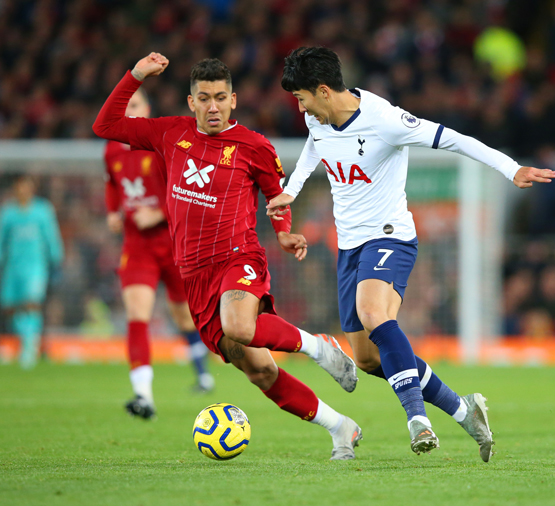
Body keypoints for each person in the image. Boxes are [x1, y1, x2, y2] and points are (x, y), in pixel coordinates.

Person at [267, 46, 555, 459]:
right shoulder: (319, 119)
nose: (300, 109)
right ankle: (463, 409)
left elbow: (455, 140)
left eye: (302, 98)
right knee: (367, 359)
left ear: (324, 90)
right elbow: (316, 146)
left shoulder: (385, 120)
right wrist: (290, 193)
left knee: (374, 314)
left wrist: (511, 169)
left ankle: (417, 421)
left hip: (389, 236)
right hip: (349, 246)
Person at [93, 53, 362, 460]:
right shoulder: (170, 134)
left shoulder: (253, 146)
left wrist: (284, 233)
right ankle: (340, 427)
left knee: (238, 324)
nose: (213, 106)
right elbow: (105, 126)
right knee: (260, 371)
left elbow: (277, 196)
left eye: (220, 97)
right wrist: (134, 76)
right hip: (194, 275)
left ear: (233, 100)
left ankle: (318, 347)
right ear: (191, 103)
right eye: (204, 98)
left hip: (239, 258)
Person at [104, 88, 215, 420]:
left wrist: (158, 214)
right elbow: (112, 182)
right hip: (136, 247)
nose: (129, 113)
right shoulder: (111, 150)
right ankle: (143, 395)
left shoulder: (163, 146)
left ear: (148, 109)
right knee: (137, 315)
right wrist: (112, 210)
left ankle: (203, 374)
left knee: (184, 316)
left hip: (172, 244)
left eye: (134, 106)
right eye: (124, 108)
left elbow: (185, 192)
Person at [0, 175, 64, 369]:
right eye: (20, 187)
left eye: (27, 187)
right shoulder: (8, 212)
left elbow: (51, 235)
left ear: (32, 189)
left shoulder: (42, 210)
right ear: (16, 188)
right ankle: (25, 340)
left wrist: (56, 258)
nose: (24, 190)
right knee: (11, 306)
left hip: (36, 266)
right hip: (12, 267)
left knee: (32, 303)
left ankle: (30, 346)